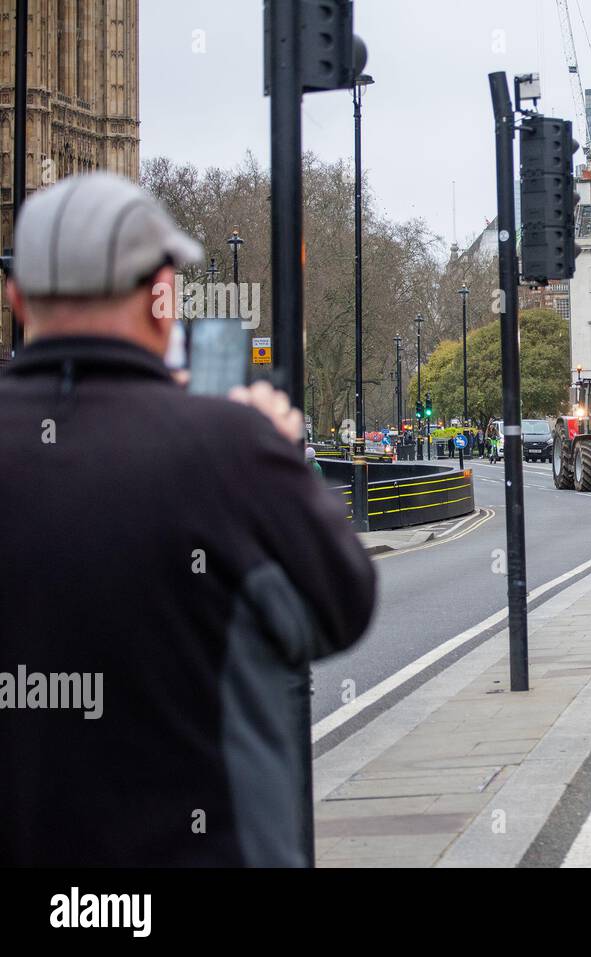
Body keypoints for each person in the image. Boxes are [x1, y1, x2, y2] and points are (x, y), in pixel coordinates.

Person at [0, 172, 376, 866]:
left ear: (16, 298)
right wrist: (274, 456)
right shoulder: (228, 449)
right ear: (161, 300)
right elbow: (343, 602)